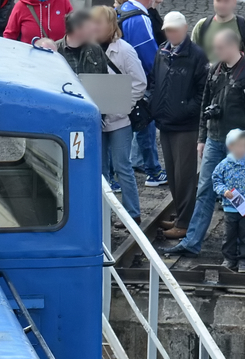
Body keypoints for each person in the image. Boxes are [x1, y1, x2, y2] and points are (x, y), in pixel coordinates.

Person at [161, 28, 245, 257]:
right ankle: (192, 242)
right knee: (205, 190)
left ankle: (241, 247)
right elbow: (204, 106)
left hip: (237, 146)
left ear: (232, 46)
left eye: (219, 48)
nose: (215, 52)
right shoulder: (215, 70)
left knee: (239, 196)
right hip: (215, 140)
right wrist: (202, 138)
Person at [151, 11, 207, 239]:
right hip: (166, 122)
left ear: (185, 29)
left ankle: (184, 222)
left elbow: (203, 91)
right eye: (168, 30)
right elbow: (154, 80)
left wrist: (185, 109)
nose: (171, 34)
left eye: (174, 30)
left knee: (184, 175)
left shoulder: (196, 55)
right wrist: (156, 105)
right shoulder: (162, 52)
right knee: (174, 174)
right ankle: (181, 216)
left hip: (185, 125)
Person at [93, 6, 147, 218]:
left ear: (110, 25)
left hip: (120, 120)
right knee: (100, 170)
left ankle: (132, 214)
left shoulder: (125, 50)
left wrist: (123, 106)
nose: (94, 27)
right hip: (96, 119)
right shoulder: (88, 48)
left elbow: (140, 83)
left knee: (122, 167)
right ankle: (102, 216)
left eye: (99, 23)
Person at [116, 0, 166, 187]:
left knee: (118, 128)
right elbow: (150, 56)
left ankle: (114, 176)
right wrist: (161, 77)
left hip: (118, 79)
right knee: (145, 125)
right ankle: (153, 171)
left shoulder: (122, 10)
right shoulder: (139, 18)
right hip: (137, 82)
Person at [211, 129, 245, 272]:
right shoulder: (223, 165)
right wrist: (224, 191)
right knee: (229, 235)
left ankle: (244, 260)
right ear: (230, 147)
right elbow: (216, 180)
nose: (242, 149)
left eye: (244, 145)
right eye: (239, 146)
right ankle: (229, 258)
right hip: (230, 207)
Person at [191, 0, 245, 70]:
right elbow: (191, 59)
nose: (222, 5)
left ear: (234, 2)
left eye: (226, 1)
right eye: (218, 1)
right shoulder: (201, 26)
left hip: (237, 78)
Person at [3, 0, 71, 45]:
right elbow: (9, 36)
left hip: (58, 59)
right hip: (28, 59)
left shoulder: (63, 2)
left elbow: (74, 29)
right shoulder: (21, 6)